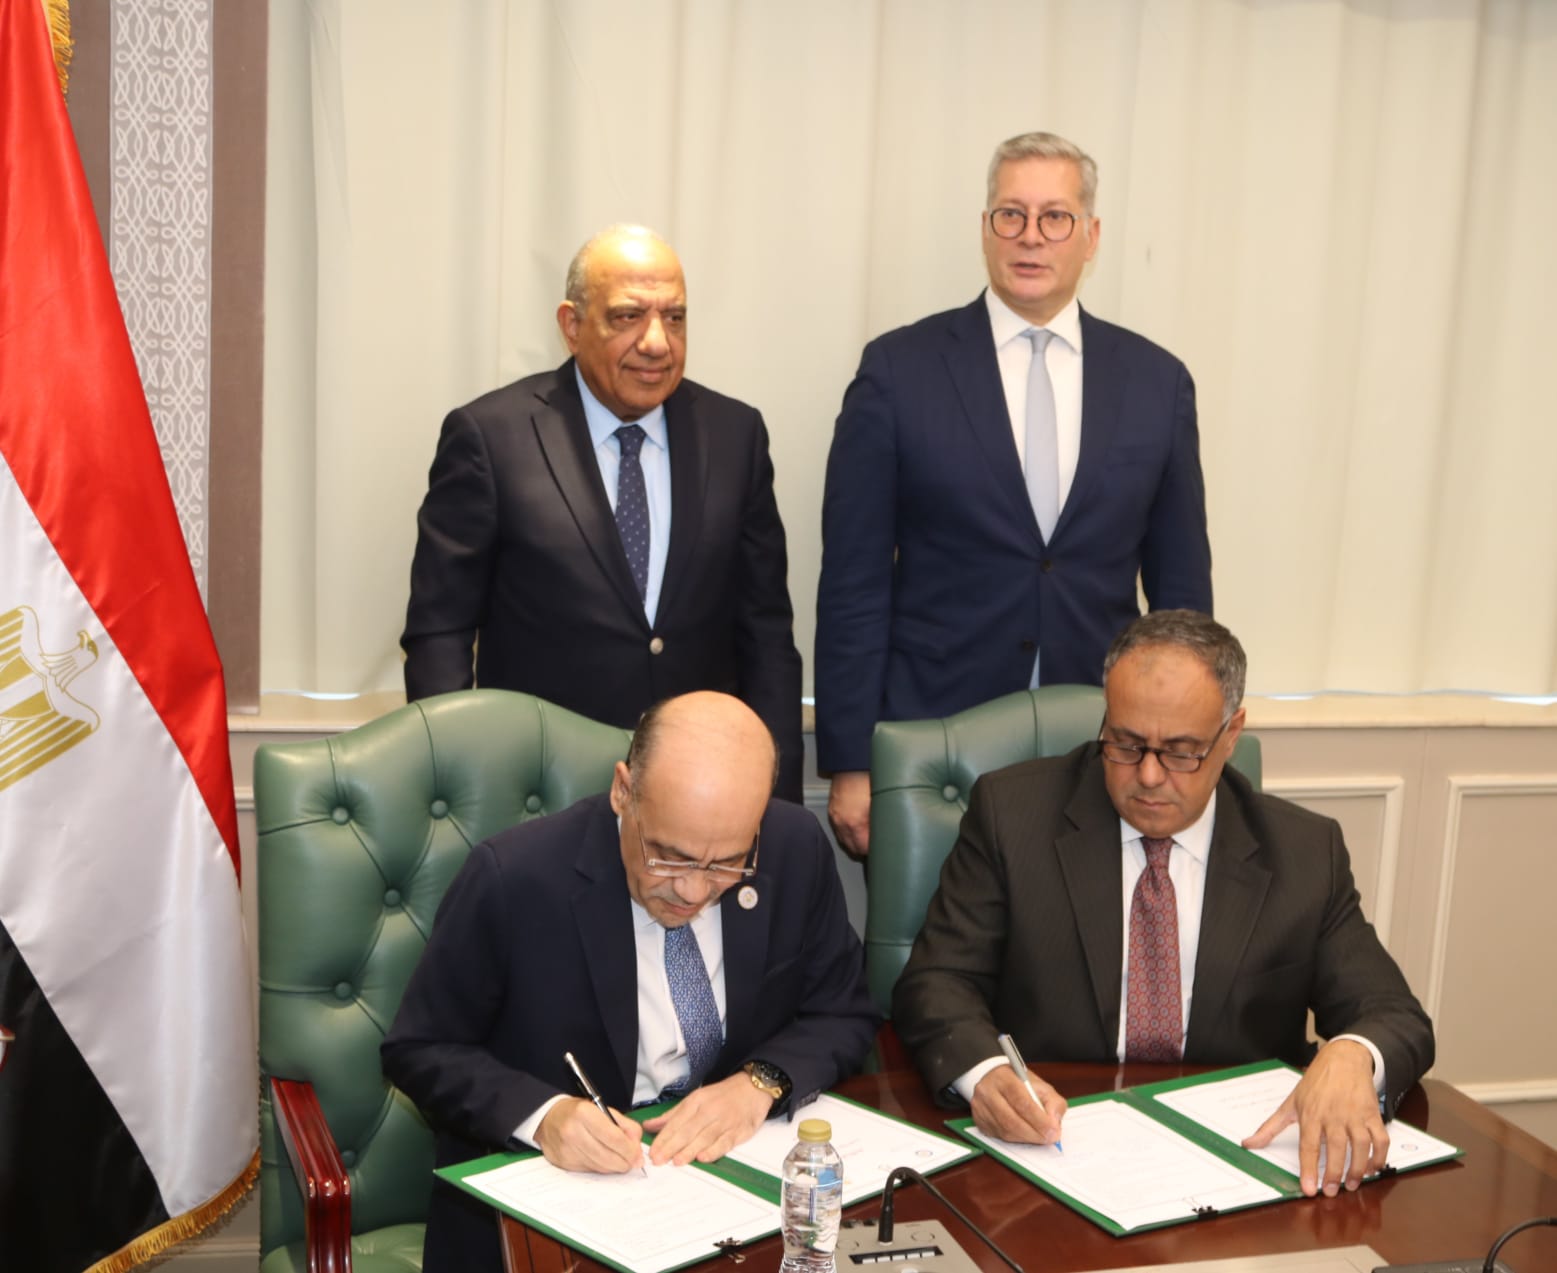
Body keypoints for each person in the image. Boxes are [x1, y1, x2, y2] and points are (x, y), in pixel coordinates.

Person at [892, 610, 1434, 1200]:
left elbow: (1394, 1013)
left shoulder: (1304, 852)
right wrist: (985, 1073)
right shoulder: (1012, 816)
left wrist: (1354, 1054)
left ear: (1230, 735)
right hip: (1052, 1152)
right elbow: (937, 981)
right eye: (1126, 744)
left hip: (1235, 1169)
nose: (1148, 776)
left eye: (1180, 752)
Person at [815, 131, 1213, 855]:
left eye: (1055, 217)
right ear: (985, 229)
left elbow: (1181, 594)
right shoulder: (898, 371)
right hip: (935, 746)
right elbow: (853, 582)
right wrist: (849, 761)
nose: (1030, 235)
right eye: (1011, 214)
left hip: (1102, 746)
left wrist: (1187, 745)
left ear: (1090, 236)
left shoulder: (1157, 383)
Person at [382, 691, 877, 1273]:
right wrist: (544, 1118)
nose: (693, 891)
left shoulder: (794, 850)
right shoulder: (514, 878)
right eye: (669, 856)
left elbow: (843, 1011)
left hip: (728, 1207)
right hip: (541, 1216)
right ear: (624, 790)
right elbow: (420, 1048)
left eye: (726, 863)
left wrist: (758, 1083)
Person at [401, 225, 805, 801]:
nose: (657, 342)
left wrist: (779, 798)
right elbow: (440, 632)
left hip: (699, 793)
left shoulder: (735, 436)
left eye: (674, 318)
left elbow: (766, 633)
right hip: (538, 793)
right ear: (572, 326)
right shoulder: (490, 438)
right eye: (628, 317)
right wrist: (454, 786)